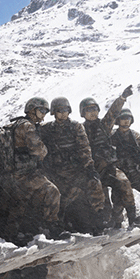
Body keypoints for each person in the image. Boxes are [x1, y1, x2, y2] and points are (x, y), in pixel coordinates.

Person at [38, 97, 107, 235]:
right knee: (57, 198)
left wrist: (89, 168)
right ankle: (56, 227)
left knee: (94, 185)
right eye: (59, 111)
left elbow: (84, 148)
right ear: (54, 112)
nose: (63, 114)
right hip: (56, 173)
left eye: (65, 110)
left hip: (76, 171)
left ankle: (99, 221)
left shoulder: (75, 126)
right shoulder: (46, 129)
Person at [79, 85, 140, 228]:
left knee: (124, 183)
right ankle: (104, 223)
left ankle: (132, 217)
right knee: (101, 199)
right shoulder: (79, 130)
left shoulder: (104, 125)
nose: (93, 112)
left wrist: (122, 98)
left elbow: (114, 112)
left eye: (95, 109)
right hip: (92, 171)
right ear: (83, 113)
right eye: (89, 110)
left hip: (109, 168)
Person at [4, 97, 67, 241]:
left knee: (19, 205)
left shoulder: (17, 123)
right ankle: (53, 227)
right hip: (27, 173)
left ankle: (11, 235)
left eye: (46, 111)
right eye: (41, 110)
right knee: (52, 191)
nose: (44, 113)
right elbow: (38, 150)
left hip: (14, 172)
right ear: (32, 110)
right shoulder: (28, 126)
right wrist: (46, 150)